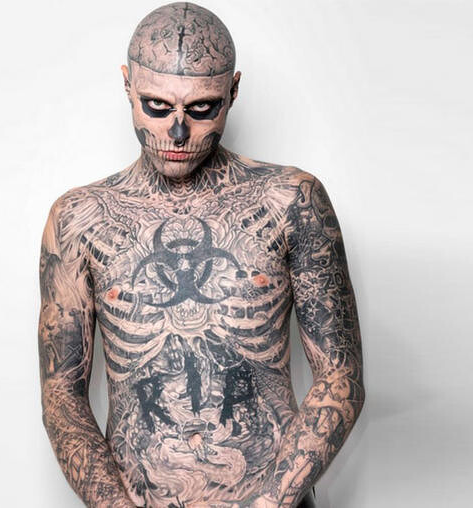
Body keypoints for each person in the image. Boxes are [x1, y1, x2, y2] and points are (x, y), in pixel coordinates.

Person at [38, 3, 364, 507]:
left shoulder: (290, 202)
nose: (176, 132)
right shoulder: (81, 219)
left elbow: (341, 375)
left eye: (202, 109)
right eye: (156, 106)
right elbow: (62, 393)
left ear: (233, 91)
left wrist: (271, 503)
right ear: (127, 84)